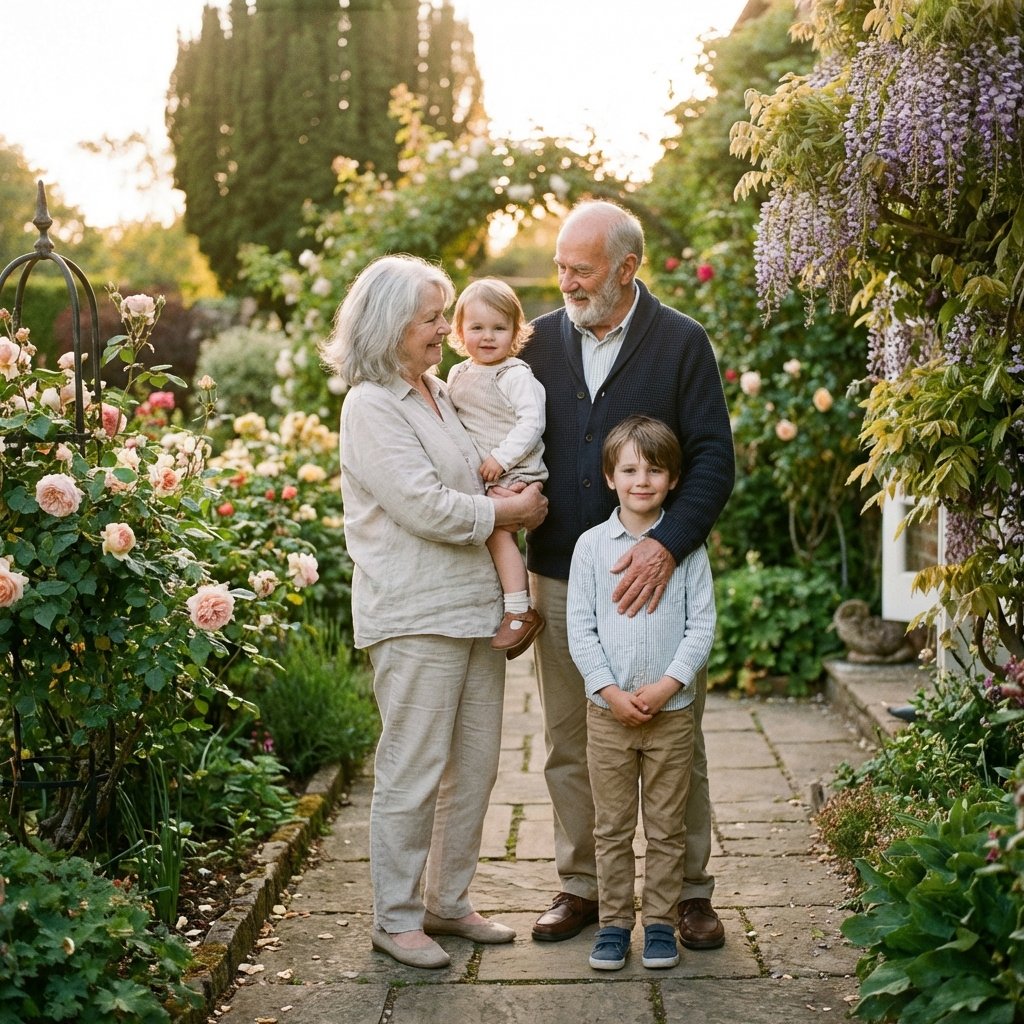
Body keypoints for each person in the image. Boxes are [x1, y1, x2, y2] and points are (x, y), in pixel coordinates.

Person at [321, 254, 548, 970]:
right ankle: (394, 917)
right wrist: (506, 510)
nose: (441, 332)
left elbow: (480, 463)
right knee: (413, 770)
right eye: (429, 319)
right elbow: (422, 505)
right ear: (391, 325)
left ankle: (447, 903)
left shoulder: (438, 393)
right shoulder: (371, 404)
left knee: (474, 769)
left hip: (474, 611)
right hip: (415, 612)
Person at [521, 199, 735, 950]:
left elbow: (712, 457)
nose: (566, 281)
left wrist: (668, 544)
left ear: (626, 268)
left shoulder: (680, 342)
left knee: (680, 736)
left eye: (581, 269)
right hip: (560, 573)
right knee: (569, 735)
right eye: (560, 267)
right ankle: (584, 886)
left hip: (663, 580)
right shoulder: (537, 342)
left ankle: (688, 896)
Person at [567, 416, 716, 971]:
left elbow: (701, 627)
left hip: (670, 713)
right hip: (607, 713)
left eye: (654, 470)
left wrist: (666, 686)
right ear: (610, 477)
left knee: (666, 825)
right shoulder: (589, 549)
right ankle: (612, 925)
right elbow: (579, 628)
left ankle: (658, 922)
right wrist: (608, 690)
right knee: (610, 825)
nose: (641, 480)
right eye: (629, 469)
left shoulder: (686, 551)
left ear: (673, 479)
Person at [448, 277, 547, 659]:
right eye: (476, 328)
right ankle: (508, 606)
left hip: (516, 470)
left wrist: (501, 458)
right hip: (486, 475)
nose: (487, 337)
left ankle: (520, 610)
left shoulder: (514, 375)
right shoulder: (458, 374)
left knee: (496, 532)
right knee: (489, 531)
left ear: (515, 333)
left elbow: (531, 423)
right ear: (459, 332)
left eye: (498, 328)